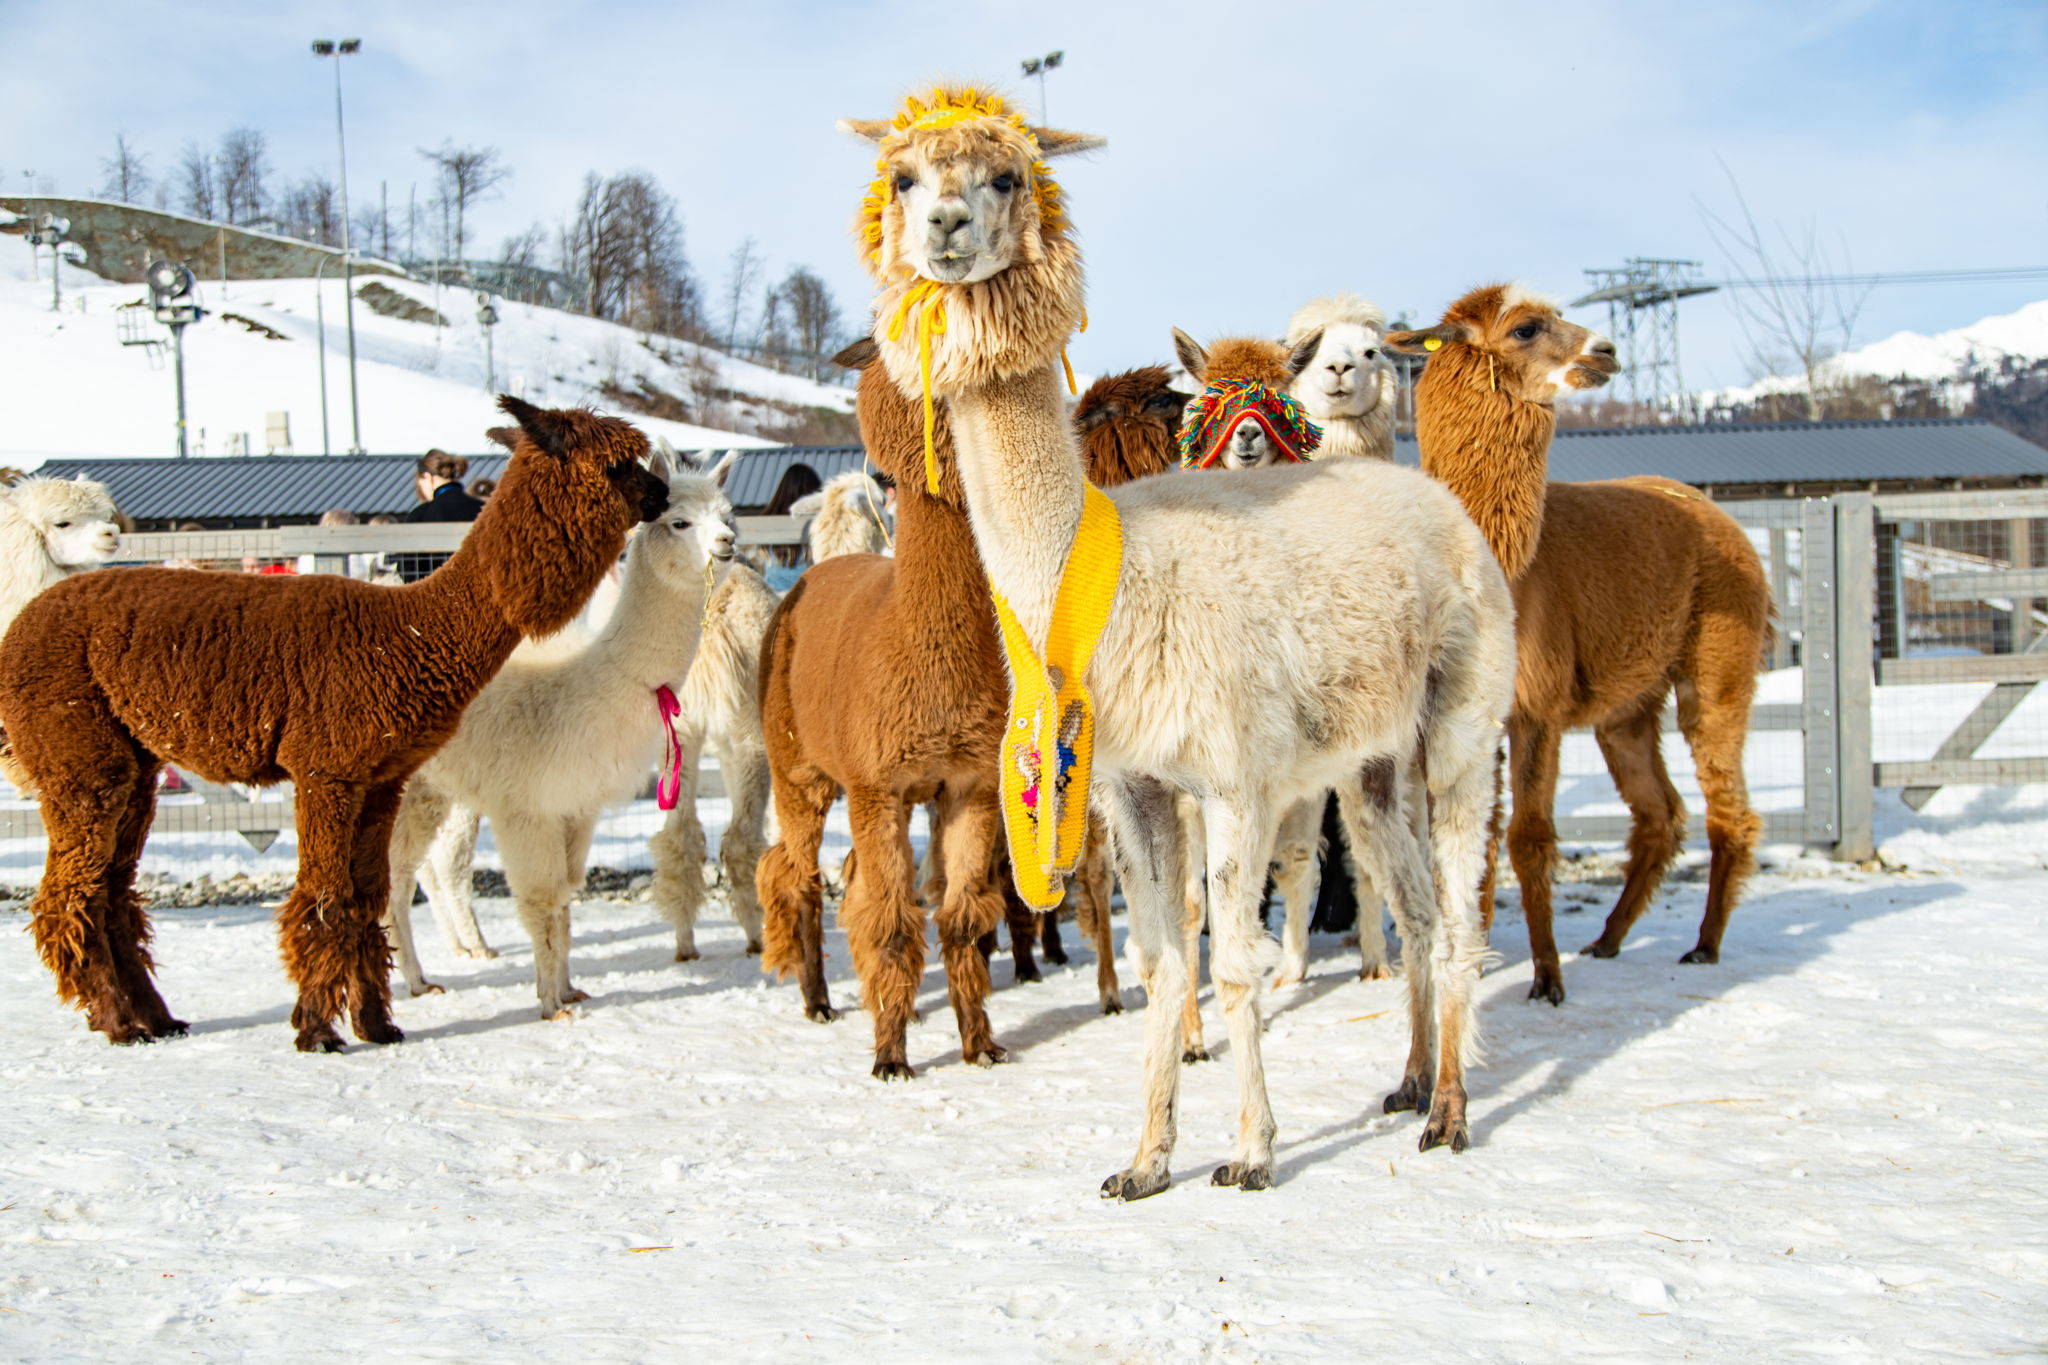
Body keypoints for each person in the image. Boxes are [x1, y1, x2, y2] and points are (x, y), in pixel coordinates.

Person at [396, 450, 484, 582]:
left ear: (427, 478)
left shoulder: (420, 515)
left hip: (436, 594)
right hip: (483, 590)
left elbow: (407, 569)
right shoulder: (484, 509)